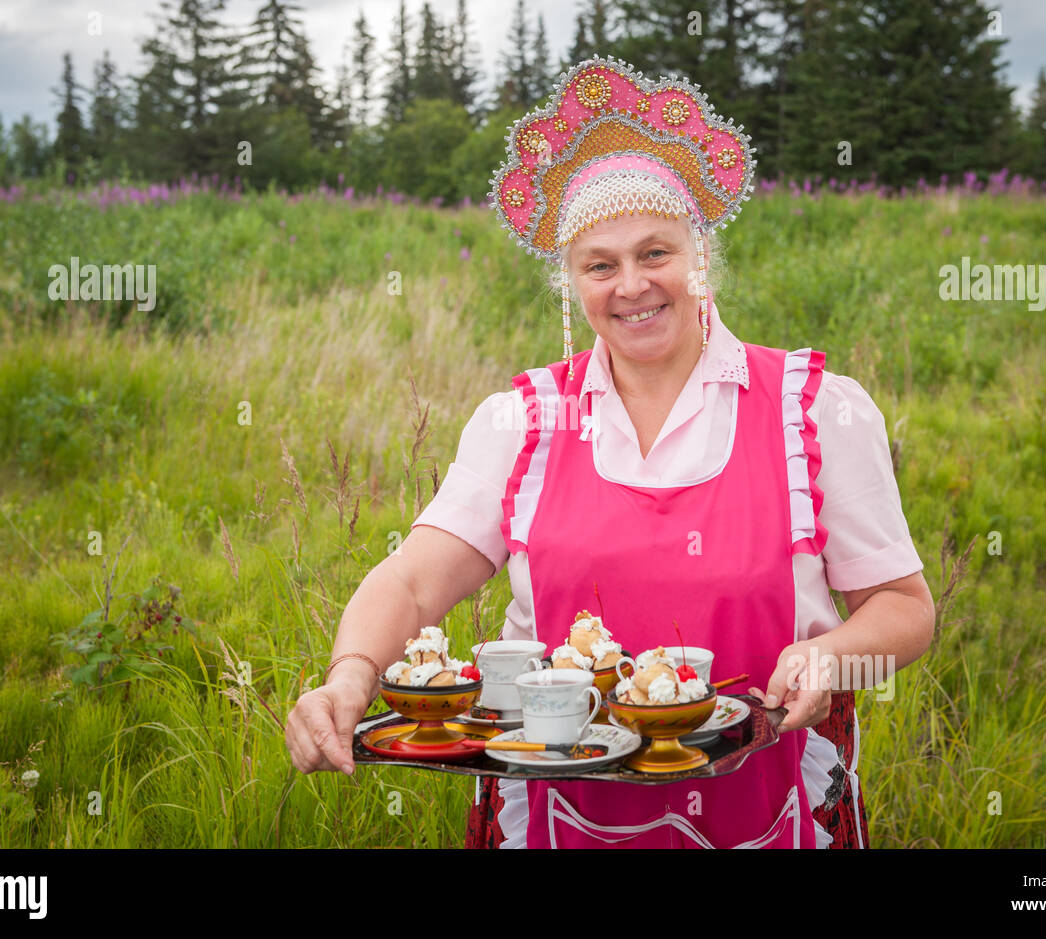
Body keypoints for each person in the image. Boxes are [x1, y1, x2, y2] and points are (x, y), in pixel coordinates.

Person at [284, 56, 935, 848]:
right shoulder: (519, 421)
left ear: (699, 255)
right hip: (553, 819)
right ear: (572, 284)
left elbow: (906, 611)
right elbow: (415, 581)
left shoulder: (815, 410)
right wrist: (350, 675)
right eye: (601, 265)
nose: (632, 285)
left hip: (772, 809)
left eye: (654, 252)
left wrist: (832, 659)